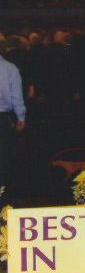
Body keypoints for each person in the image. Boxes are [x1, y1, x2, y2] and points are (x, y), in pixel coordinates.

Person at [0, 53, 26, 194]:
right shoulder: (10, 68)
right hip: (3, 119)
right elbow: (17, 96)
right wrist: (20, 117)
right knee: (4, 158)